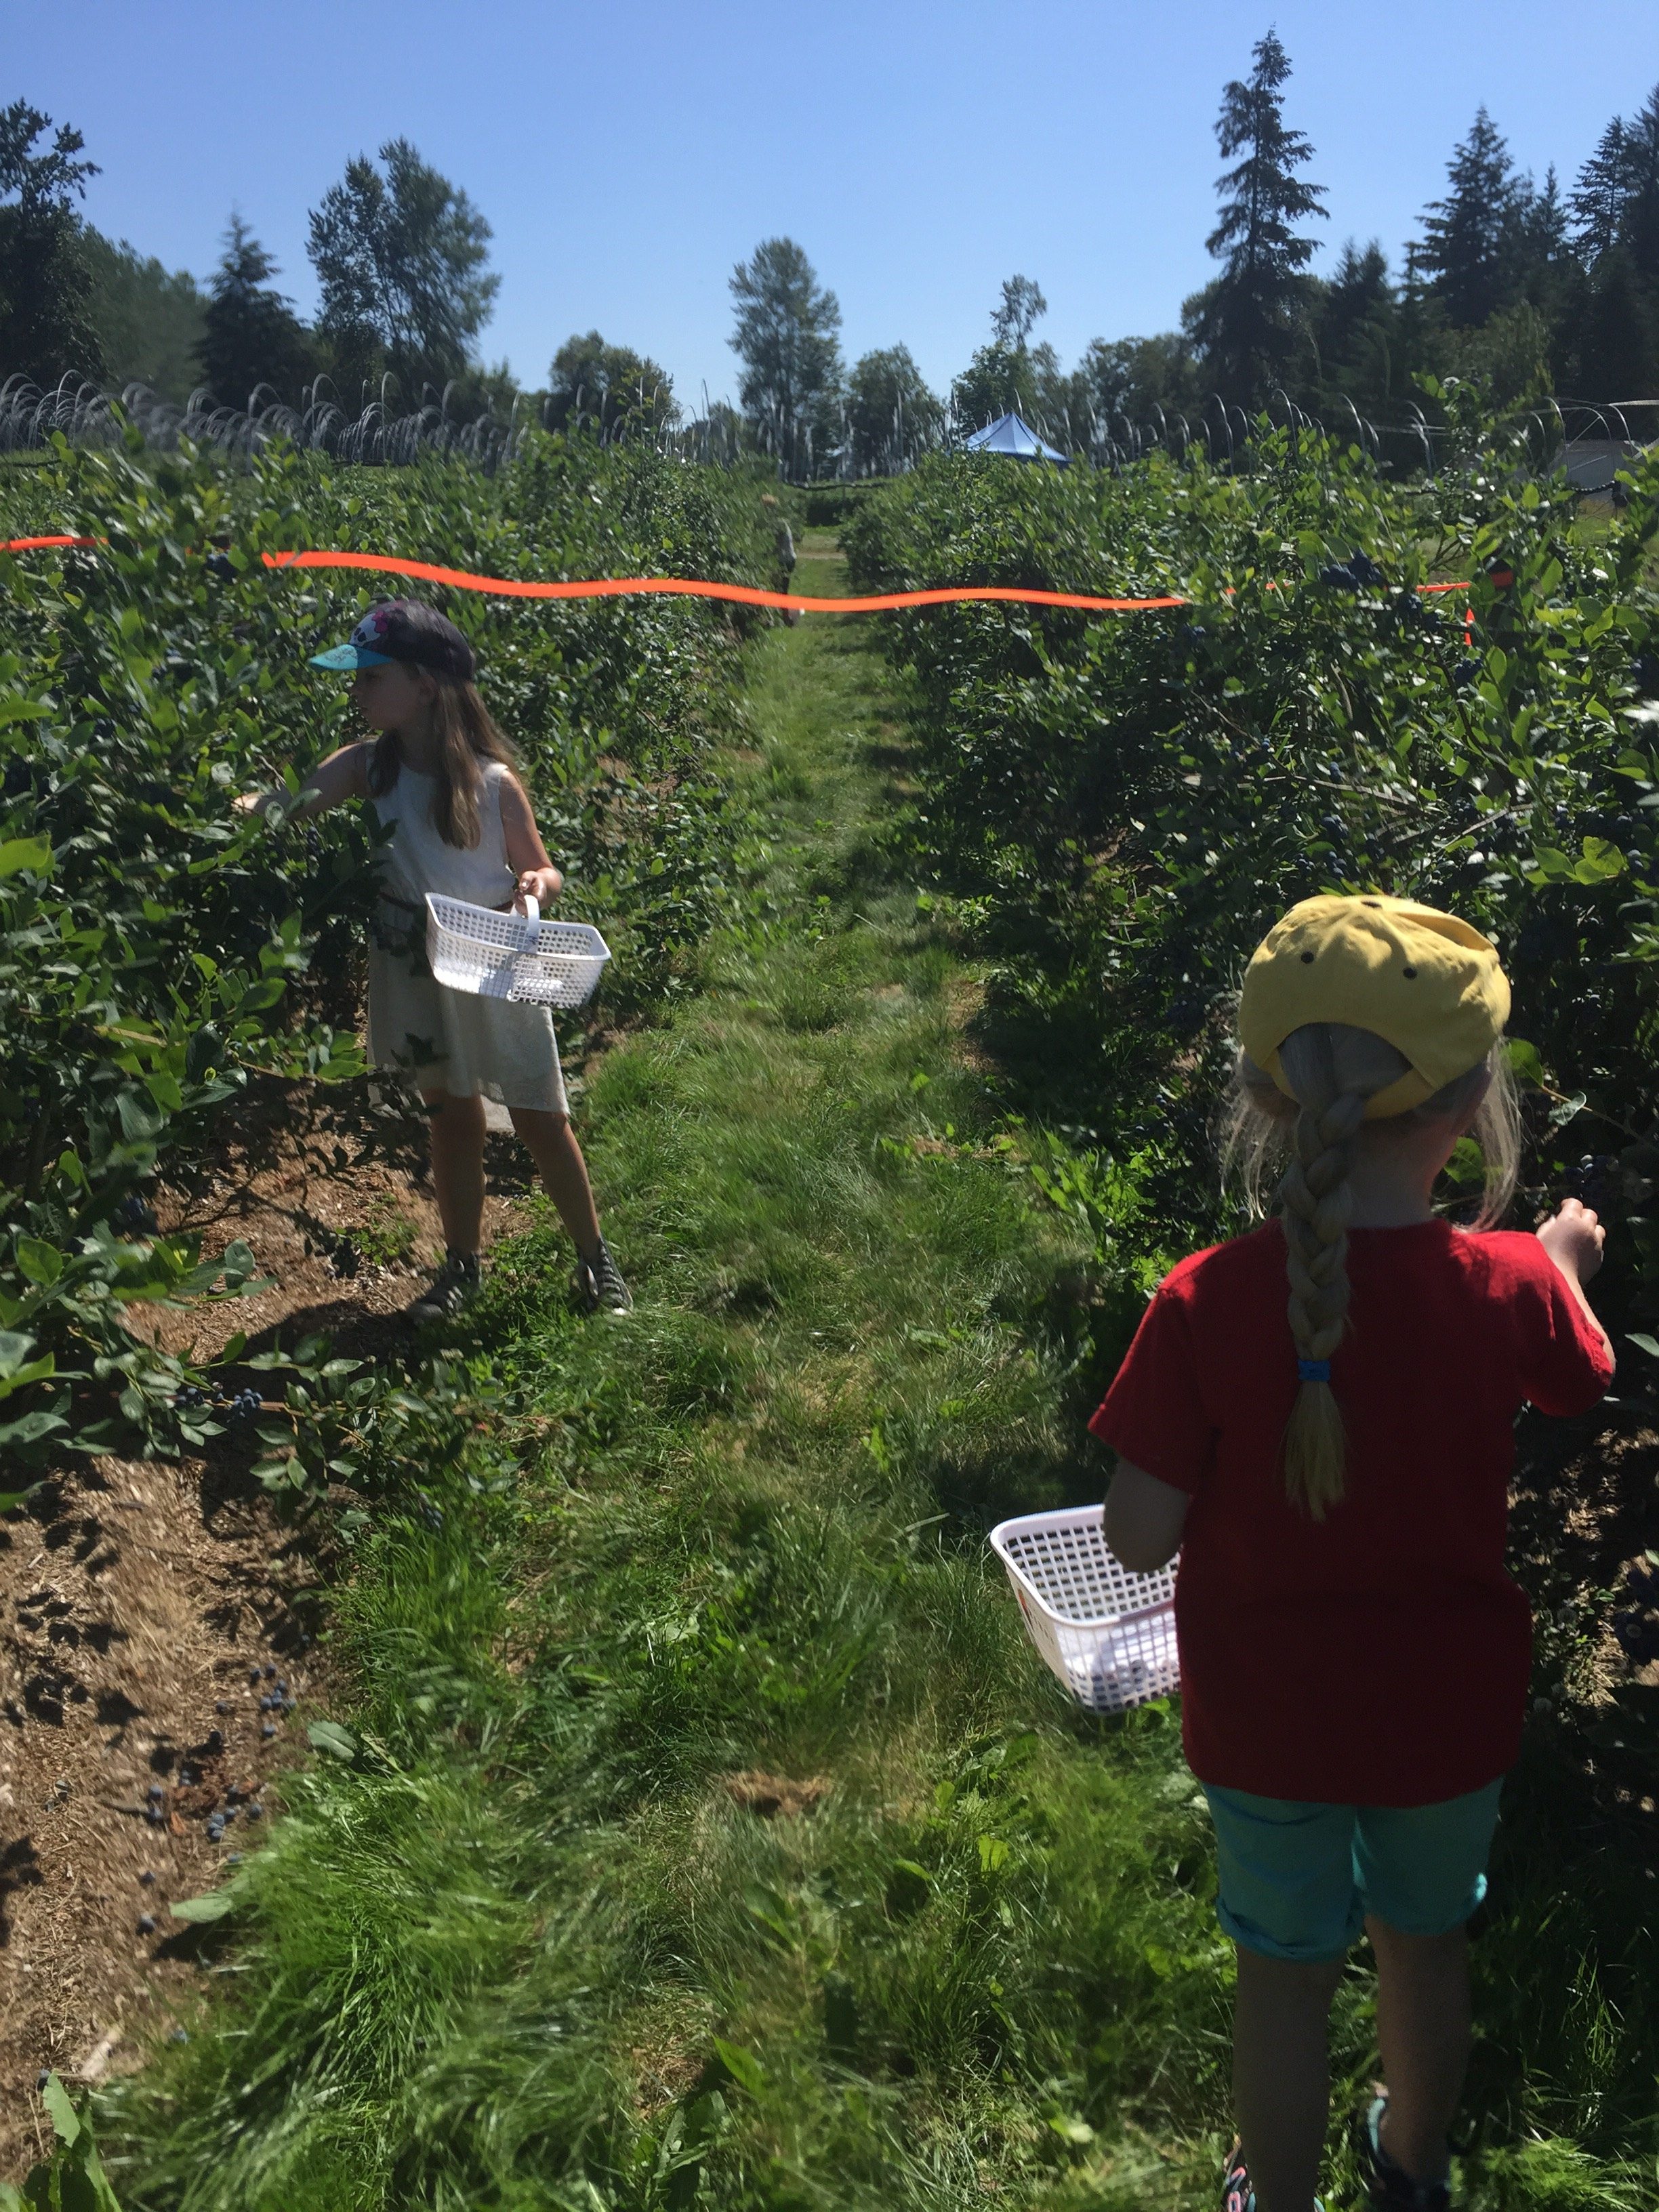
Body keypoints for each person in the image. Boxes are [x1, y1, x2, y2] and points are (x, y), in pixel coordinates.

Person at [1090, 895, 1612, 2212]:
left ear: (1269, 1099)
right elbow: (1575, 1381)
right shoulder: (1512, 1286)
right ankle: (1412, 2172)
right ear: (1468, 1105)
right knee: (1425, 1948)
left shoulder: (1203, 1297)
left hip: (1268, 1728)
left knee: (1284, 1974)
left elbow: (1136, 1538)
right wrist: (1564, 1261)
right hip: (1446, 1723)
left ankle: (1274, 2200)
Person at [238, 598, 632, 1321]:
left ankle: (595, 1260)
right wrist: (234, 809)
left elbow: (544, 869)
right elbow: (287, 806)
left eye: (372, 675)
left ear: (425, 684)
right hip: (415, 965)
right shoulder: (365, 768)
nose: (357, 689)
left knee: (541, 1114)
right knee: (451, 1118)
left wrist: (533, 887)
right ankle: (462, 1268)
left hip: (491, 963)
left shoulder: (491, 784)